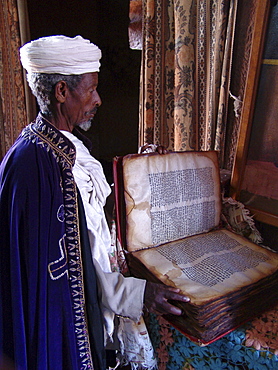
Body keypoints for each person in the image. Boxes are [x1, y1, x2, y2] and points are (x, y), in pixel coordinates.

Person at [0, 35, 190, 370]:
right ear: (62, 91)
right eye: (91, 90)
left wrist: (142, 173)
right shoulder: (38, 168)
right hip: (66, 321)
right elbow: (75, 267)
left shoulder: (60, 145)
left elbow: (89, 220)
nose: (98, 99)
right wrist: (139, 295)